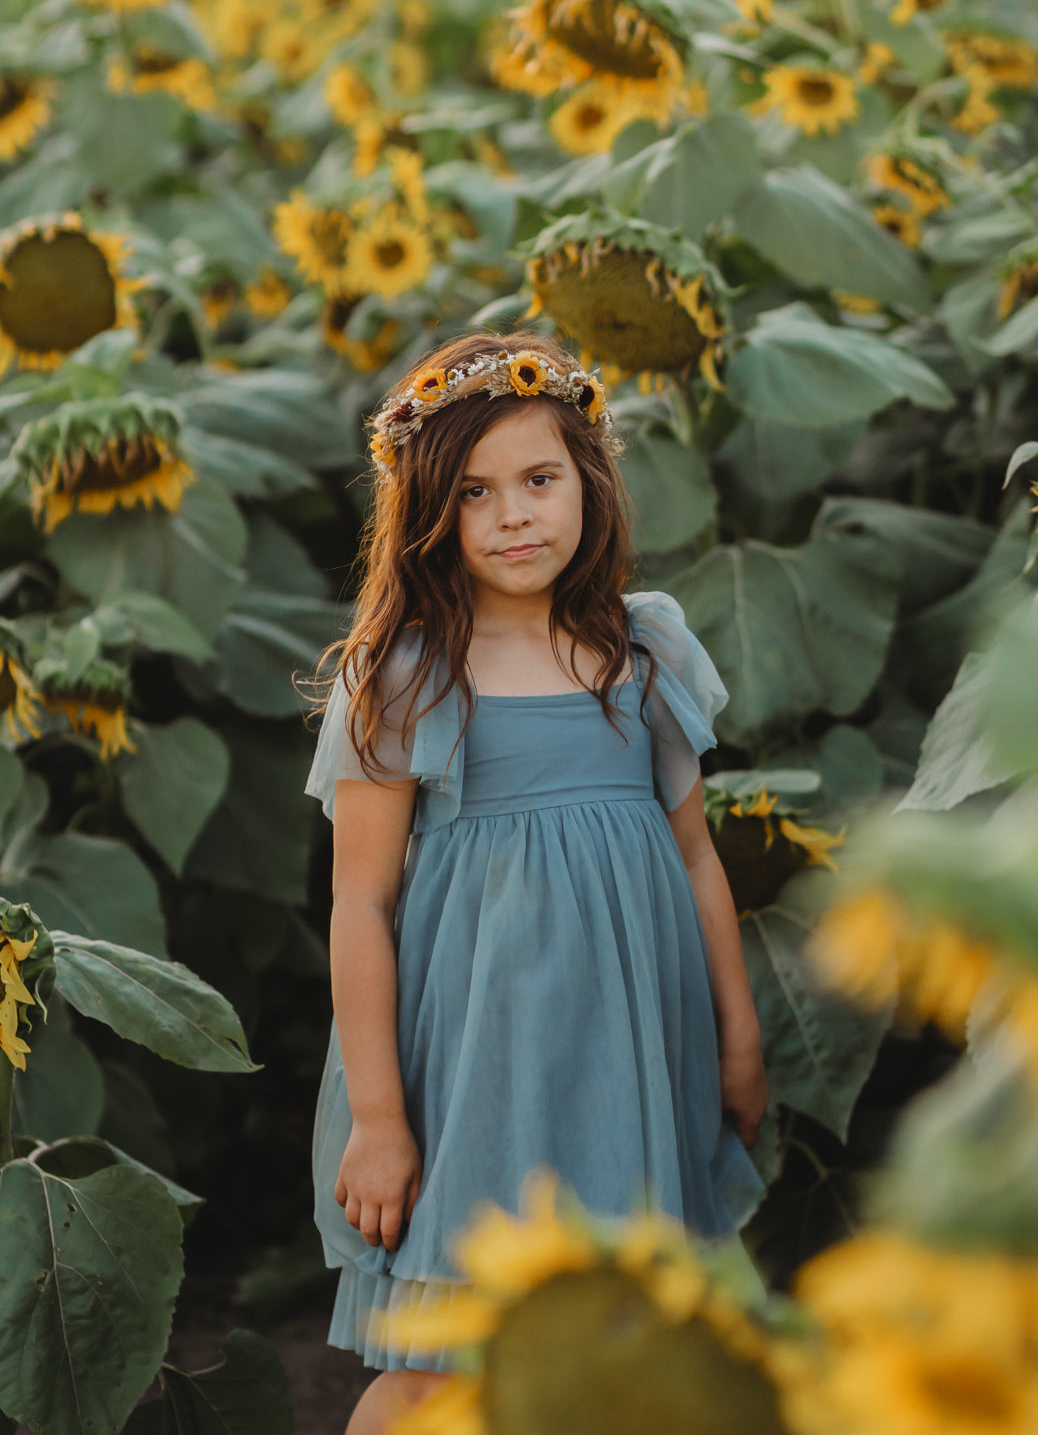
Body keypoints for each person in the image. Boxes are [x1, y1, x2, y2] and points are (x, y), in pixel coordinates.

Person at [303, 331, 768, 1435]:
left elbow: (695, 856)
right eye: (473, 493)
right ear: (426, 511)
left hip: (635, 1058)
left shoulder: (642, 653)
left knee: (631, 1353)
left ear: (588, 483)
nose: (514, 515)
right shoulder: (407, 679)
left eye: (539, 480)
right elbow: (359, 906)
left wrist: (739, 1038)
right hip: (480, 1067)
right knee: (443, 1364)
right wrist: (379, 1117)